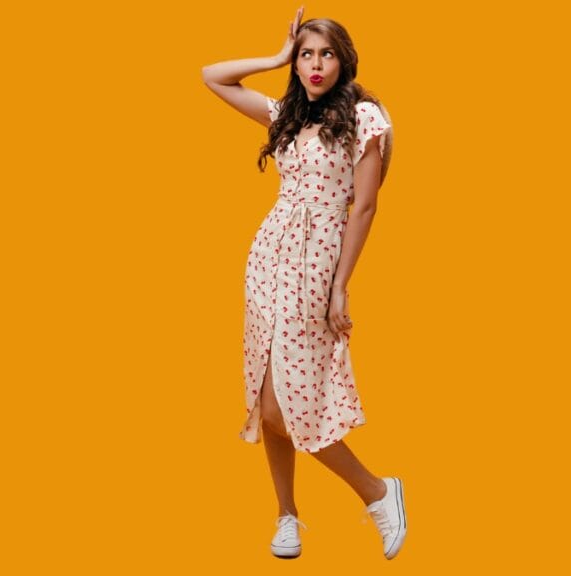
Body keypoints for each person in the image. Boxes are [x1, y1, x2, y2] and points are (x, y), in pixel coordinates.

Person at [202, 6, 406, 561]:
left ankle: (378, 491)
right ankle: (287, 515)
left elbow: (363, 207)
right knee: (266, 400)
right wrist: (274, 57)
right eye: (306, 54)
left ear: (345, 60)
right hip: (268, 259)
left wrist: (341, 285)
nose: (315, 65)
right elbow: (212, 75)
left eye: (327, 54)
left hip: (316, 266)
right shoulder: (286, 117)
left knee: (290, 403)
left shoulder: (366, 118)